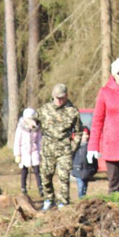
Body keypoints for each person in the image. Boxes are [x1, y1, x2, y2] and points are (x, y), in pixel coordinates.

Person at [37, 83, 82, 211]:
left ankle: (62, 203)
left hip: (64, 149)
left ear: (66, 96)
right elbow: (32, 121)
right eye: (57, 98)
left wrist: (73, 146)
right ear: (53, 96)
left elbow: (79, 131)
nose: (60, 101)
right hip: (47, 149)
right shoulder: (44, 109)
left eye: (62, 97)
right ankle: (48, 200)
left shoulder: (72, 111)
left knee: (64, 177)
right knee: (45, 176)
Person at [88, 57, 119, 193]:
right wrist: (93, 146)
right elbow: (97, 121)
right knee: (114, 184)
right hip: (111, 146)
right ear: (114, 75)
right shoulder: (105, 92)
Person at [13, 107, 43, 199]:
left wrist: (40, 151)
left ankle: (41, 188)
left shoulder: (37, 128)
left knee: (37, 170)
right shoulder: (21, 128)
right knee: (24, 170)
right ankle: (23, 188)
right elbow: (17, 141)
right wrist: (17, 154)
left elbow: (39, 141)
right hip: (24, 151)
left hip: (34, 151)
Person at [72, 128, 96, 199]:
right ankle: (81, 199)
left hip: (87, 170)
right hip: (78, 170)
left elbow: (94, 161)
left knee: (85, 186)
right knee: (81, 186)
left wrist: (94, 169)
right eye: (83, 134)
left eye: (86, 134)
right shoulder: (75, 147)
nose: (85, 136)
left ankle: (83, 198)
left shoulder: (90, 147)